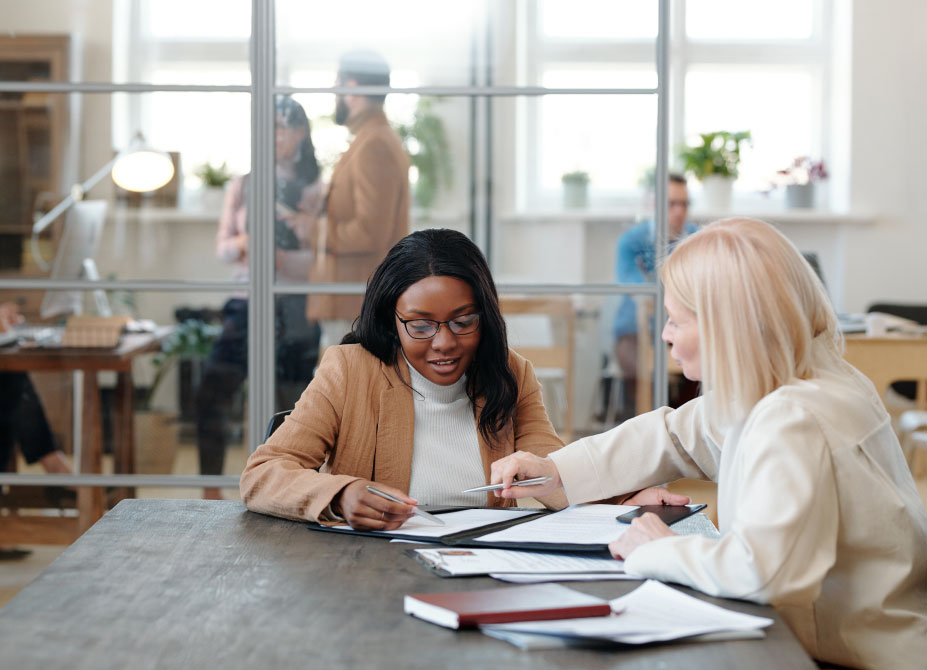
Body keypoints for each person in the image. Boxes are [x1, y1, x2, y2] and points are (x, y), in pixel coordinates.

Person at [490, 218, 927, 670]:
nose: (665, 335)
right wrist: (556, 471)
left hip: (858, 658)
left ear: (728, 326)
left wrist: (657, 548)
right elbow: (675, 434)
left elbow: (765, 573)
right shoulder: (809, 380)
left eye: (676, 320)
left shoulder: (793, 416)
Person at [240, 229, 680, 530]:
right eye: (421, 325)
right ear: (390, 320)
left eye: (463, 321)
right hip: (371, 573)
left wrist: (624, 501)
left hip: (481, 565)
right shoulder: (348, 370)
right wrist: (341, 495)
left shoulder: (510, 374)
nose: (444, 343)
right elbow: (261, 476)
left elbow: (552, 468)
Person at [195, 96, 323, 500]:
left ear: (301, 133)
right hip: (245, 304)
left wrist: (279, 256)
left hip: (295, 306)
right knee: (210, 393)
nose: (274, 137)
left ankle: (287, 492)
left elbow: (320, 261)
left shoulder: (317, 189)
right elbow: (221, 250)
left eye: (282, 127)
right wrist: (247, 242)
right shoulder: (243, 184)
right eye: (267, 128)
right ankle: (210, 493)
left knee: (293, 411)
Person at [304, 49, 410, 346]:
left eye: (336, 82)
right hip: (349, 303)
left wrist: (312, 231)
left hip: (354, 306)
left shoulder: (374, 145)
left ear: (351, 88)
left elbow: (369, 232)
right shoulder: (368, 141)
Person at [611, 173, 698, 418]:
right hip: (636, 331)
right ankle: (644, 423)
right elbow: (636, 290)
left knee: (705, 351)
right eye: (672, 204)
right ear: (654, 205)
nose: (679, 211)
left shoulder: (697, 239)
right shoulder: (631, 242)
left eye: (685, 204)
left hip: (685, 326)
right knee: (632, 360)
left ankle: (683, 425)